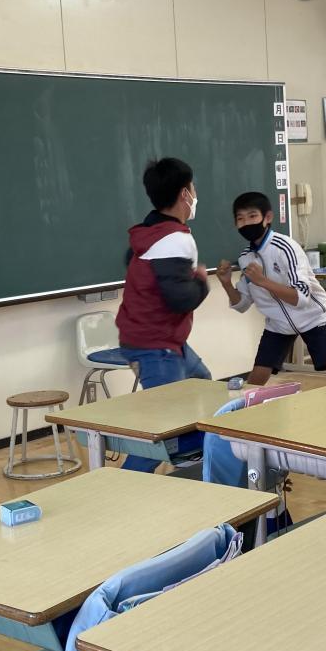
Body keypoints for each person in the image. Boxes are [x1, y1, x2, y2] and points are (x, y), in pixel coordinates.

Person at [115, 157, 212, 472]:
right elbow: (179, 299)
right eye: (192, 188)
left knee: (203, 385)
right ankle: (121, 487)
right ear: (185, 194)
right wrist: (201, 282)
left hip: (159, 339)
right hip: (155, 345)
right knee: (164, 431)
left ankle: (191, 464)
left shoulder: (150, 230)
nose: (195, 193)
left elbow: (133, 261)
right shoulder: (175, 239)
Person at [216, 191, 326, 385]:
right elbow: (242, 304)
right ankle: (243, 405)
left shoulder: (286, 247)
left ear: (267, 217)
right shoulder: (245, 258)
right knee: (257, 378)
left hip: (313, 318)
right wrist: (226, 283)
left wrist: (263, 281)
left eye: (252, 216)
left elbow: (301, 297)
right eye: (240, 219)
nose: (246, 223)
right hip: (277, 324)